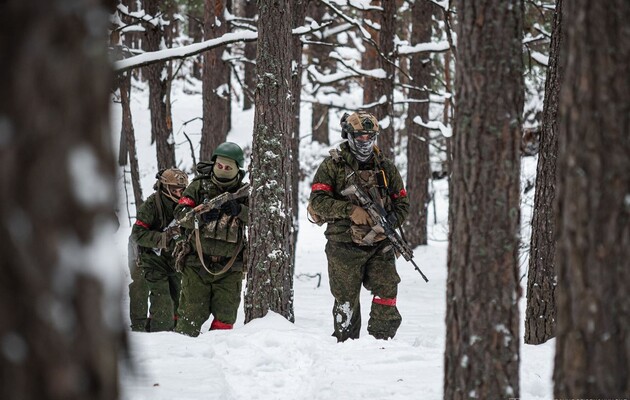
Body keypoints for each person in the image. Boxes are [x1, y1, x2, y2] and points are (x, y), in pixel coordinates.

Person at [308, 111, 410, 342]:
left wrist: (389, 222)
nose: (365, 141)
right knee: (346, 299)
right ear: (349, 135)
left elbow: (402, 203)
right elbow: (318, 201)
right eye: (360, 136)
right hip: (343, 244)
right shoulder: (333, 165)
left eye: (370, 136)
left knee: (387, 287)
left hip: (379, 243)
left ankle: (381, 342)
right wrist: (351, 210)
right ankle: (346, 345)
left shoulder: (386, 168)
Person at [173, 142, 249, 337]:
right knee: (189, 318)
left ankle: (216, 354)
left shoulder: (245, 192)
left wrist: (240, 210)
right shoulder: (199, 186)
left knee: (225, 319)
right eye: (219, 166)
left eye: (228, 168)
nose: (223, 170)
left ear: (237, 169)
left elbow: (261, 220)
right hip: (196, 265)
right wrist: (200, 217)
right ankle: (183, 352)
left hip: (230, 268)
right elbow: (180, 214)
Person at [131, 168, 189, 332]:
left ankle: (176, 334)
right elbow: (137, 234)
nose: (178, 193)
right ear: (164, 187)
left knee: (178, 297)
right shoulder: (151, 205)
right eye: (174, 190)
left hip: (174, 259)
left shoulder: (185, 204)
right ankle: (160, 336)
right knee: (162, 301)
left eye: (181, 190)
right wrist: (164, 237)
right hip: (150, 258)